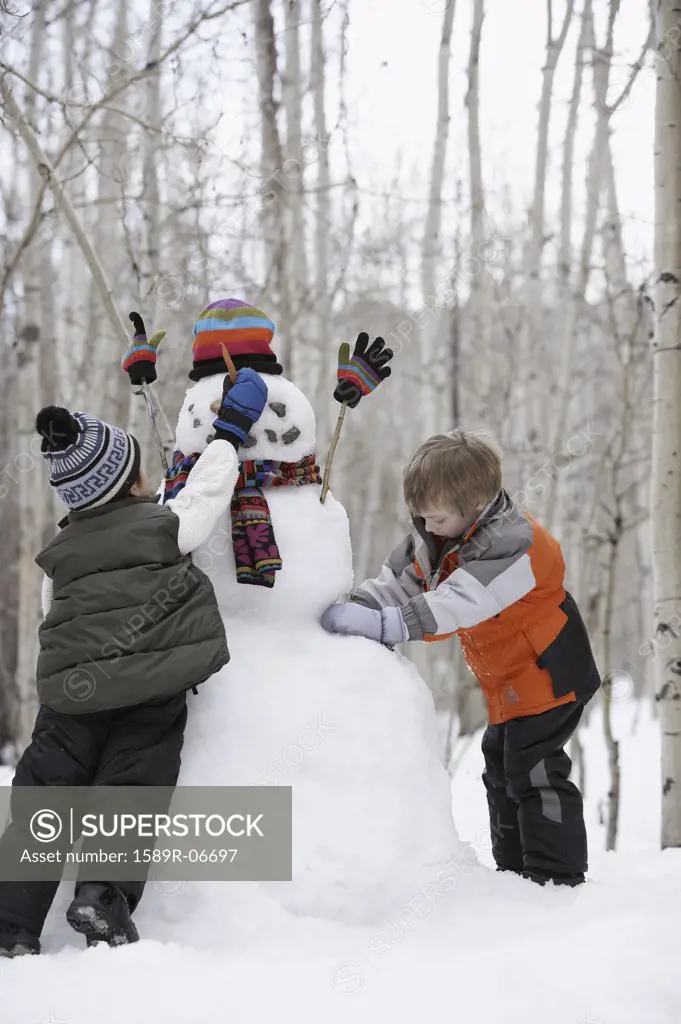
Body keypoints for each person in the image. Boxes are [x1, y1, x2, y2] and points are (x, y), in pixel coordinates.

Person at [0, 366, 267, 957]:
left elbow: (53, 617)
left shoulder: (61, 551)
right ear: (131, 483)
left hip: (72, 697)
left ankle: (11, 924)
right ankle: (101, 895)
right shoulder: (162, 525)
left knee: (43, 801)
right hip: (148, 692)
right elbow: (206, 494)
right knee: (130, 790)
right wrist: (229, 431)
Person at [321, 429, 601, 887]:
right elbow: (401, 580)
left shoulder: (517, 544)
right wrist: (363, 606)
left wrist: (389, 627)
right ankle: (514, 873)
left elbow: (460, 600)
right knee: (501, 767)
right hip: (510, 681)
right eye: (421, 516)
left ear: (475, 502)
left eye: (435, 517)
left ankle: (556, 877)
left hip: (549, 671)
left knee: (536, 770)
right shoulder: (439, 535)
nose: (427, 527)